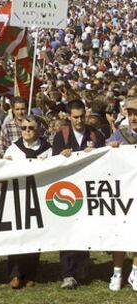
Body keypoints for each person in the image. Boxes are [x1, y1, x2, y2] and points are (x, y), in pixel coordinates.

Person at [52, 99, 105, 289]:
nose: (79, 120)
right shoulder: (61, 136)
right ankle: (68, 273)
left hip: (88, 190)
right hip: (67, 190)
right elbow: (53, 162)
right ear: (68, 116)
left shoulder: (96, 135)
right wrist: (61, 156)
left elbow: (104, 160)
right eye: (75, 117)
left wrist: (96, 152)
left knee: (86, 228)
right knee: (67, 230)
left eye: (82, 116)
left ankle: (83, 263)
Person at [3, 115, 52, 289]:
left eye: (31, 128)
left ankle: (30, 274)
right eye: (24, 128)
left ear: (38, 129)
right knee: (16, 236)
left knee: (34, 236)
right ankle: (15, 274)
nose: (27, 131)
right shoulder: (13, 150)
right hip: (17, 197)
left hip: (37, 198)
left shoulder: (47, 149)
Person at [106, 97, 137, 291]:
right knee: (120, 231)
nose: (134, 117)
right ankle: (117, 272)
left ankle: (135, 270)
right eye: (131, 113)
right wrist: (110, 148)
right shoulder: (119, 134)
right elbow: (103, 154)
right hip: (123, 192)